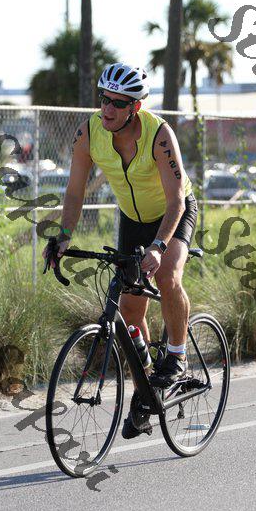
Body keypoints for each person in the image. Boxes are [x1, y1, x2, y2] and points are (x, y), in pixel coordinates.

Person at [42, 62, 198, 439]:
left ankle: (177, 356)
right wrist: (64, 236)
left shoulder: (159, 134)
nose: (107, 108)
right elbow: (75, 192)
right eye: (104, 99)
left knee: (167, 274)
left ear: (135, 107)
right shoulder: (89, 133)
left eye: (118, 102)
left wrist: (159, 246)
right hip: (132, 219)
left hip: (172, 214)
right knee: (129, 309)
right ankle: (147, 390)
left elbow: (176, 200)